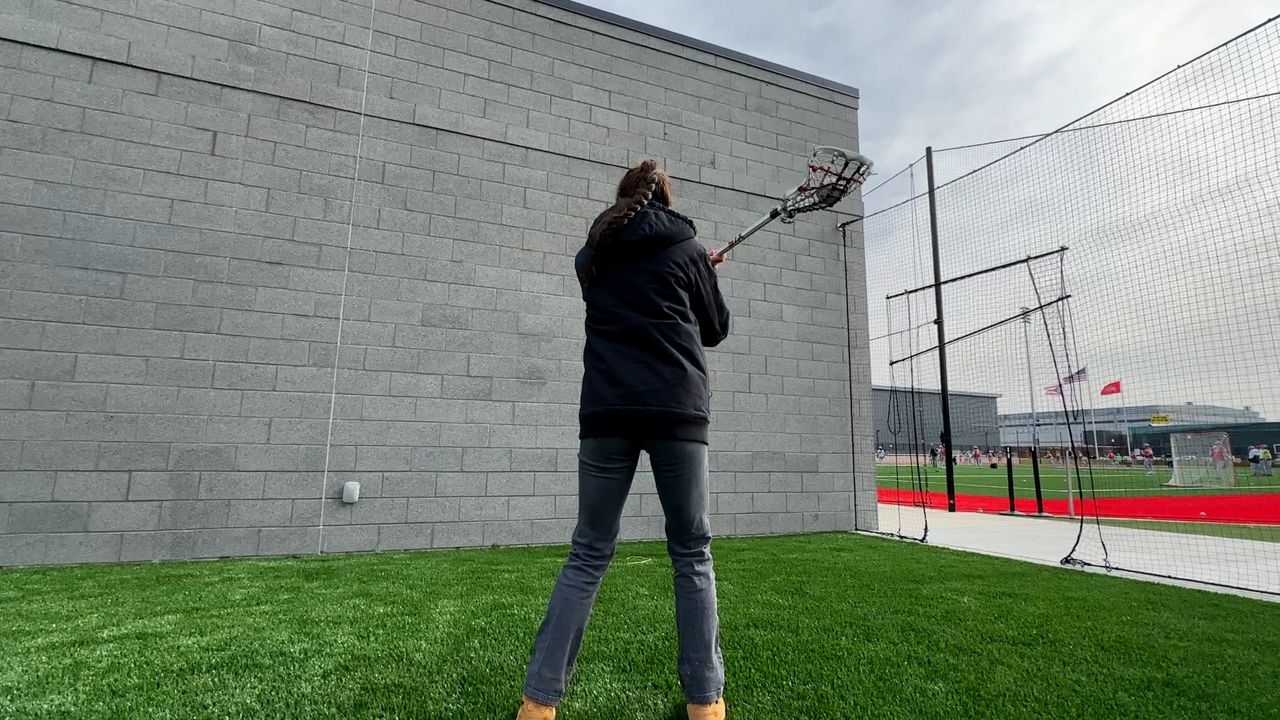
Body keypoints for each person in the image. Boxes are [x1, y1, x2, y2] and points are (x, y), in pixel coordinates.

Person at [517, 160, 731, 720]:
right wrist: (704, 274)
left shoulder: (592, 258)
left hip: (607, 412)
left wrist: (693, 273)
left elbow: (637, 297)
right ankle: (705, 706)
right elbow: (714, 328)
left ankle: (538, 705)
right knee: (691, 553)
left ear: (623, 197)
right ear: (664, 197)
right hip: (676, 413)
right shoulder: (687, 251)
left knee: (588, 552)